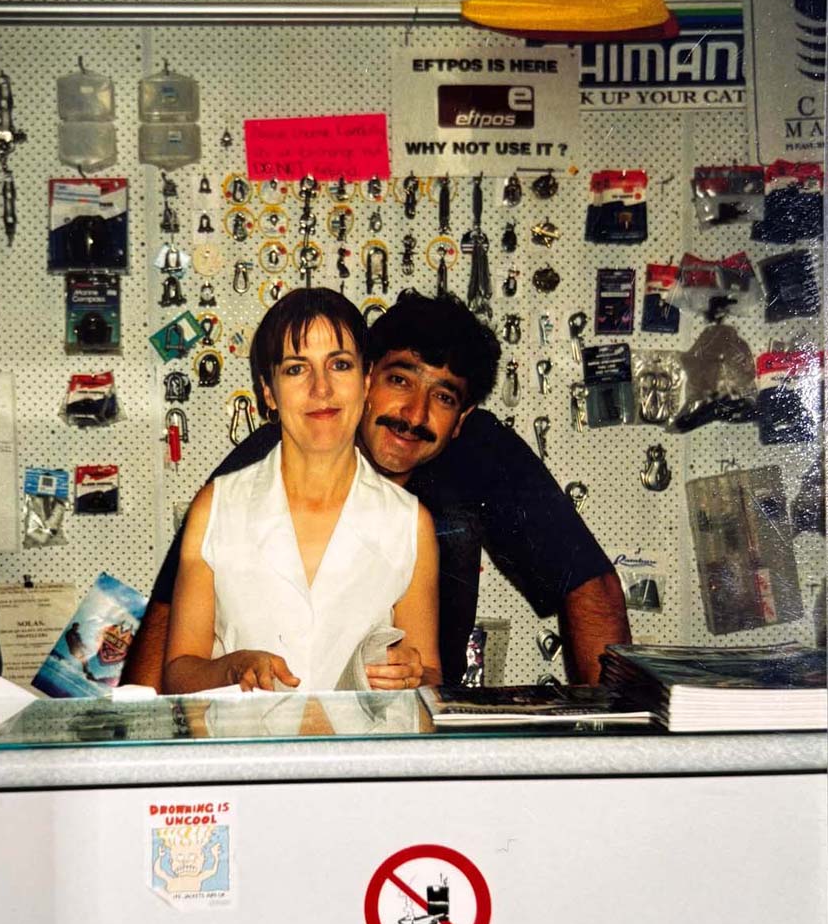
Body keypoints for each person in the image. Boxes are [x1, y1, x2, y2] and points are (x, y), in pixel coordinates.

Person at [127, 292, 629, 689]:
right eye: (401, 380)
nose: (414, 414)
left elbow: (591, 587)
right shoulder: (272, 452)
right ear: (371, 379)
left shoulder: (483, 455)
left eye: (443, 396)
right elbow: (173, 618)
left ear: (462, 420)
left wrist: (614, 748)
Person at [161, 287, 441, 694]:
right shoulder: (216, 507)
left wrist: (411, 674)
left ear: (365, 382)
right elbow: (178, 674)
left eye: (339, 365)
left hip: (360, 738)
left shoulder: (409, 523)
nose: (321, 388)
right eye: (296, 369)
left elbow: (429, 675)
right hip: (244, 736)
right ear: (269, 393)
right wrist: (233, 668)